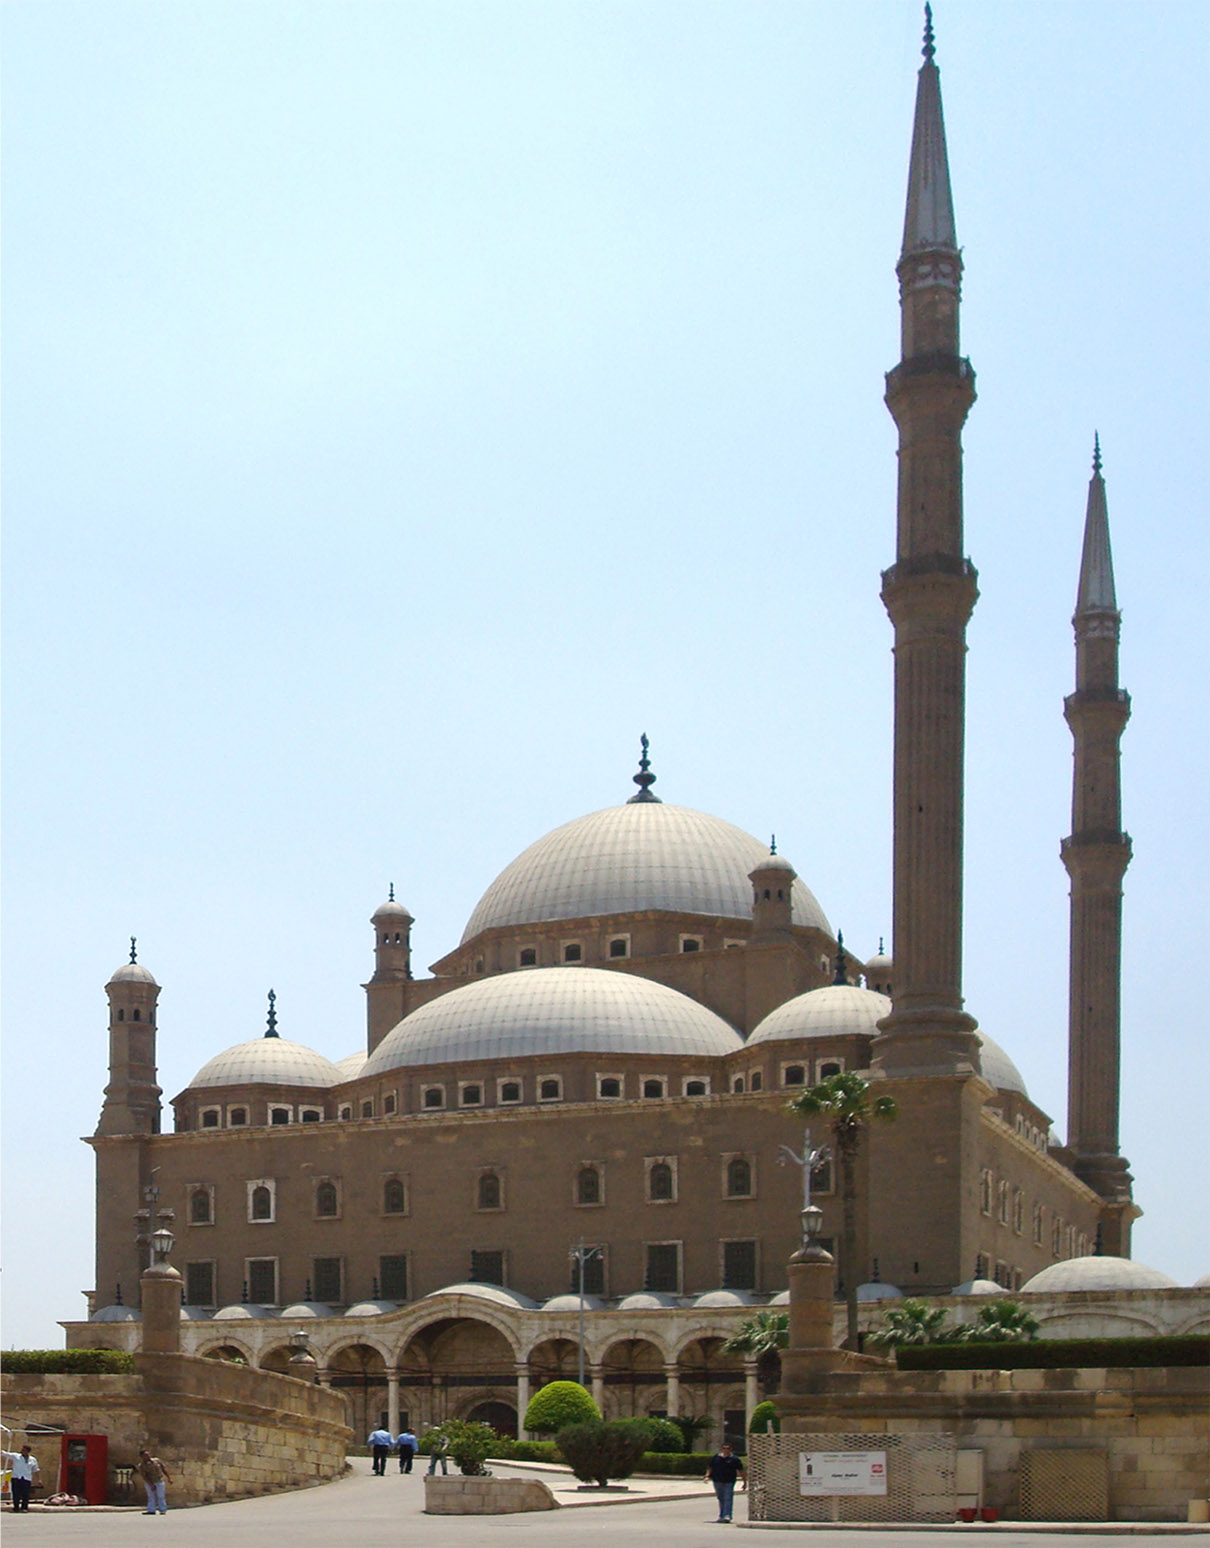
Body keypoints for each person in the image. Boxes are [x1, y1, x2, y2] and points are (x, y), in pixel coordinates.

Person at [704, 1440, 746, 1523]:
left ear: (731, 1449)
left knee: (728, 1498)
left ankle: (727, 1515)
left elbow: (741, 1470)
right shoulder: (716, 1457)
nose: (726, 1450)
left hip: (729, 1481)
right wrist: (707, 1476)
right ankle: (721, 1515)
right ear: (721, 1449)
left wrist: (745, 1482)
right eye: (724, 1448)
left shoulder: (734, 1459)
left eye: (728, 1448)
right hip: (717, 1480)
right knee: (721, 1498)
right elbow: (710, 1467)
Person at [3, 1446, 40, 1512]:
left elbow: (36, 1470)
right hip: (16, 1478)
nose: (22, 1451)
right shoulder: (16, 1456)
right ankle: (16, 1507)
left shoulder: (32, 1459)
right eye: (22, 1450)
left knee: (25, 1494)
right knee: (16, 1494)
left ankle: (24, 1508)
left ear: (28, 1451)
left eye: (24, 1450)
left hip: (26, 1478)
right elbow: (6, 1454)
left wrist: (39, 1479)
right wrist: (2, 1452)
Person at [137, 1449, 173, 1515]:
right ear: (142, 1456)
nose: (148, 1456)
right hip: (150, 1482)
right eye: (145, 1455)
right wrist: (151, 1484)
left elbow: (163, 1469)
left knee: (161, 1496)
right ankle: (151, 1510)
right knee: (151, 1496)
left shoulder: (157, 1461)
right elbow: (144, 1476)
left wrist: (169, 1478)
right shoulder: (141, 1466)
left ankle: (162, 1509)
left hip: (159, 1480)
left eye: (148, 1454)